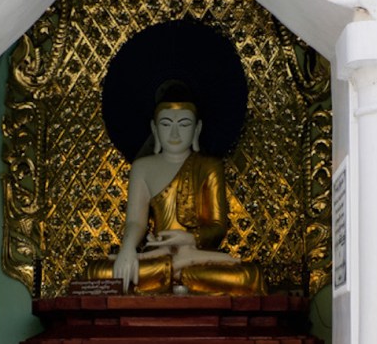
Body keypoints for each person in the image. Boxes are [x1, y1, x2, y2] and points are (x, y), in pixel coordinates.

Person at [85, 81, 265, 295]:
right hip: (158, 256)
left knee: (250, 276)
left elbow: (217, 226)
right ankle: (175, 269)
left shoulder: (209, 166)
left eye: (185, 124)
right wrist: (127, 250)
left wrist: (190, 239)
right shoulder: (142, 168)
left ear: (197, 128)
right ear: (154, 128)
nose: (175, 133)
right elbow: (135, 222)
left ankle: (173, 271)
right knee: (94, 273)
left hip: (198, 259)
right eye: (166, 124)